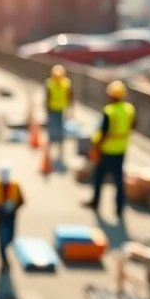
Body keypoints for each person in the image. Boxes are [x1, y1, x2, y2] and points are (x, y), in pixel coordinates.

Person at [83, 80, 135, 217]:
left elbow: (104, 132)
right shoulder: (129, 109)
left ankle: (95, 203)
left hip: (107, 149)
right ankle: (119, 208)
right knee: (118, 179)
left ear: (111, 95)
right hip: (121, 149)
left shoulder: (109, 111)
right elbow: (133, 126)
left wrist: (95, 147)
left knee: (99, 176)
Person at [0, 161, 24, 272]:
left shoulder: (15, 186)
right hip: (0, 217)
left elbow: (21, 201)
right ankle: (3, 262)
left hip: (11, 217)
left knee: (10, 238)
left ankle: (5, 257)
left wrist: (13, 208)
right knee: (1, 241)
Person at [45, 64, 72, 161]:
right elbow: (48, 97)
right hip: (53, 108)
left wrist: (70, 108)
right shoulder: (50, 83)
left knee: (61, 126)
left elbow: (69, 96)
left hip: (61, 108)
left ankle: (60, 143)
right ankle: (52, 141)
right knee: (52, 126)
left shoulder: (66, 83)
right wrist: (47, 109)